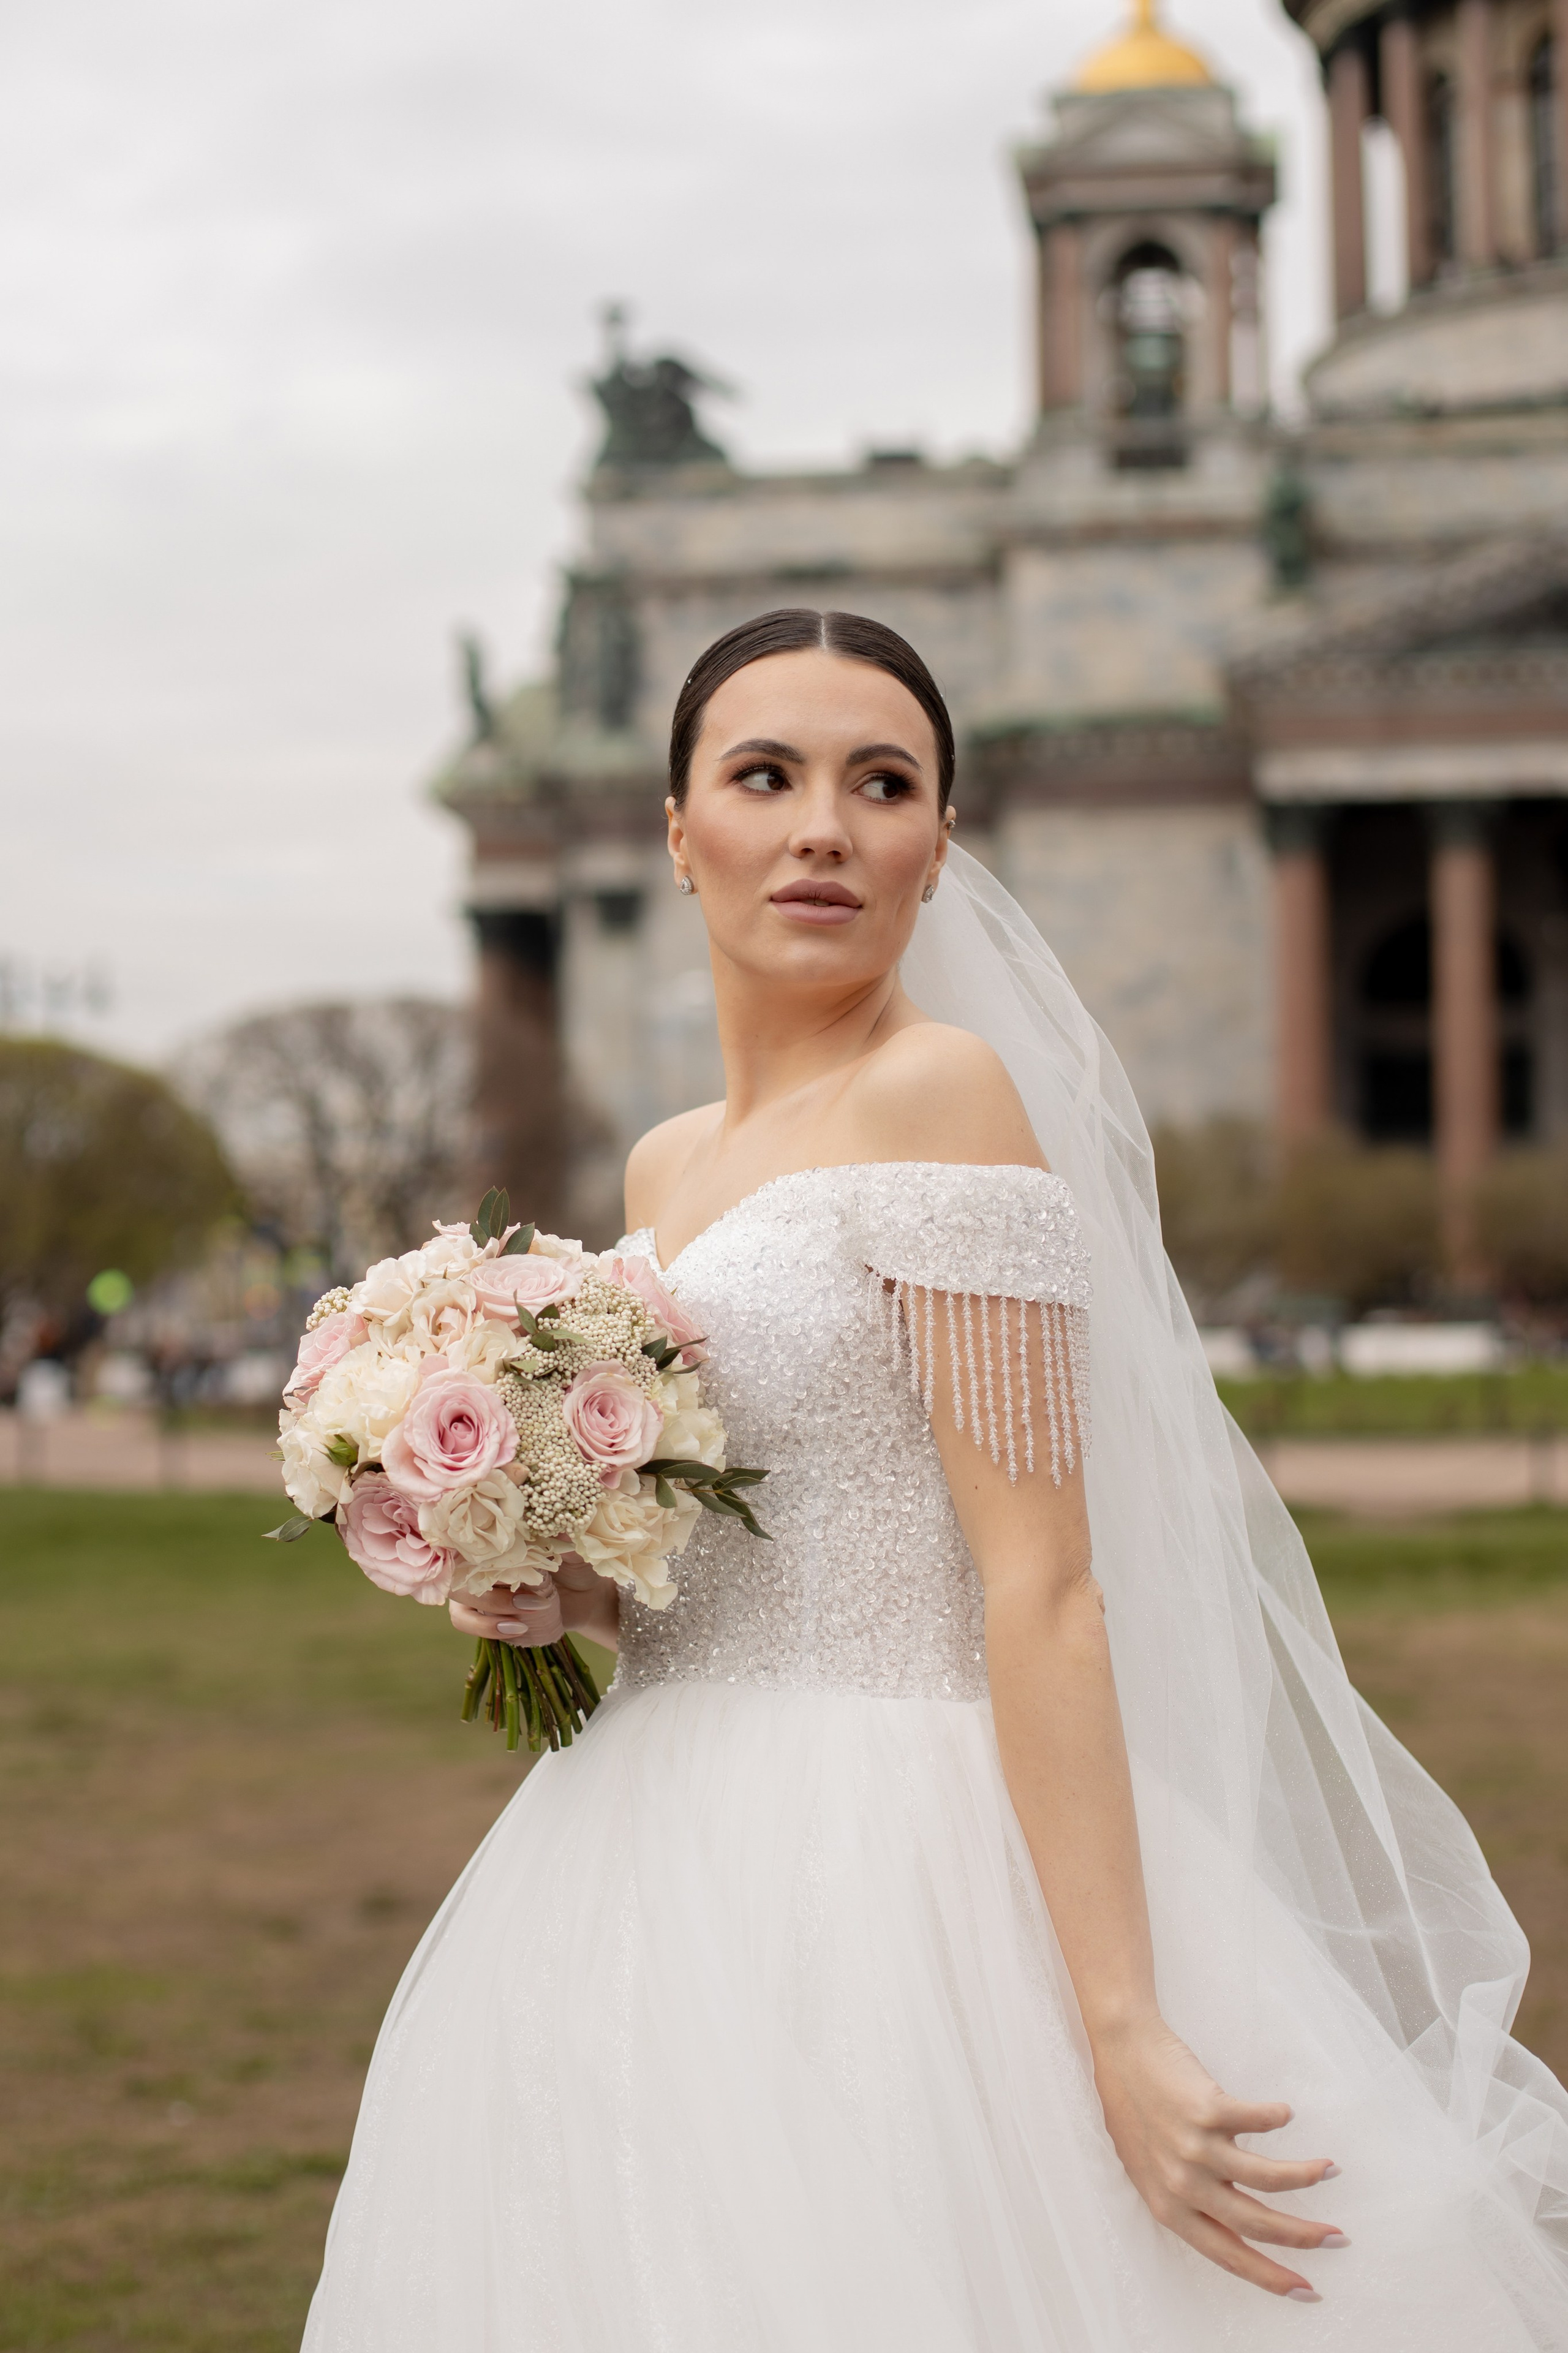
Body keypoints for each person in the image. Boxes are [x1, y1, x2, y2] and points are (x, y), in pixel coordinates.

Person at [304, 611, 1568, 2351]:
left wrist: (1117, 2017)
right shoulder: (667, 1161)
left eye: (881, 782)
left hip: (911, 1855)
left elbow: (1040, 1579)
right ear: (680, 829)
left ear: (938, 842)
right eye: (767, 775)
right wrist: (557, 1579)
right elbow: (721, 1554)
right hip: (641, 1852)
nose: (824, 824)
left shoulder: (949, 1094)